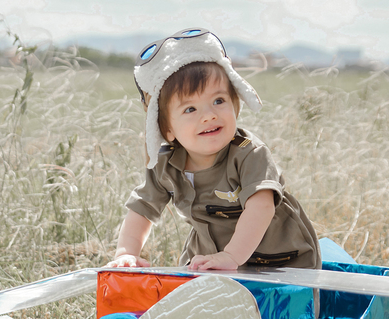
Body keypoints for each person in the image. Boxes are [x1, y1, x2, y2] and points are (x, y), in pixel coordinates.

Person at [107, 28, 321, 272]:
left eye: (218, 101)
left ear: (235, 104)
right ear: (166, 129)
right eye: (190, 109)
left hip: (280, 261)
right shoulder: (166, 164)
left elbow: (261, 207)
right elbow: (142, 210)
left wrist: (231, 256)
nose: (209, 115)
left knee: (275, 299)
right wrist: (126, 253)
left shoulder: (249, 154)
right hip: (210, 258)